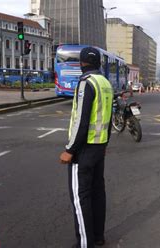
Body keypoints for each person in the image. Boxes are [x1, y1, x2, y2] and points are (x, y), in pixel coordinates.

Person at [59, 47, 113, 248]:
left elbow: (81, 120)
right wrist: (105, 144)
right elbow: (106, 117)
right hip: (99, 148)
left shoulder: (86, 83)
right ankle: (98, 236)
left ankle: (85, 243)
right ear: (98, 62)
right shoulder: (105, 83)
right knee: (98, 192)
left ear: (81, 63)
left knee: (81, 198)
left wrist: (70, 150)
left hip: (84, 150)